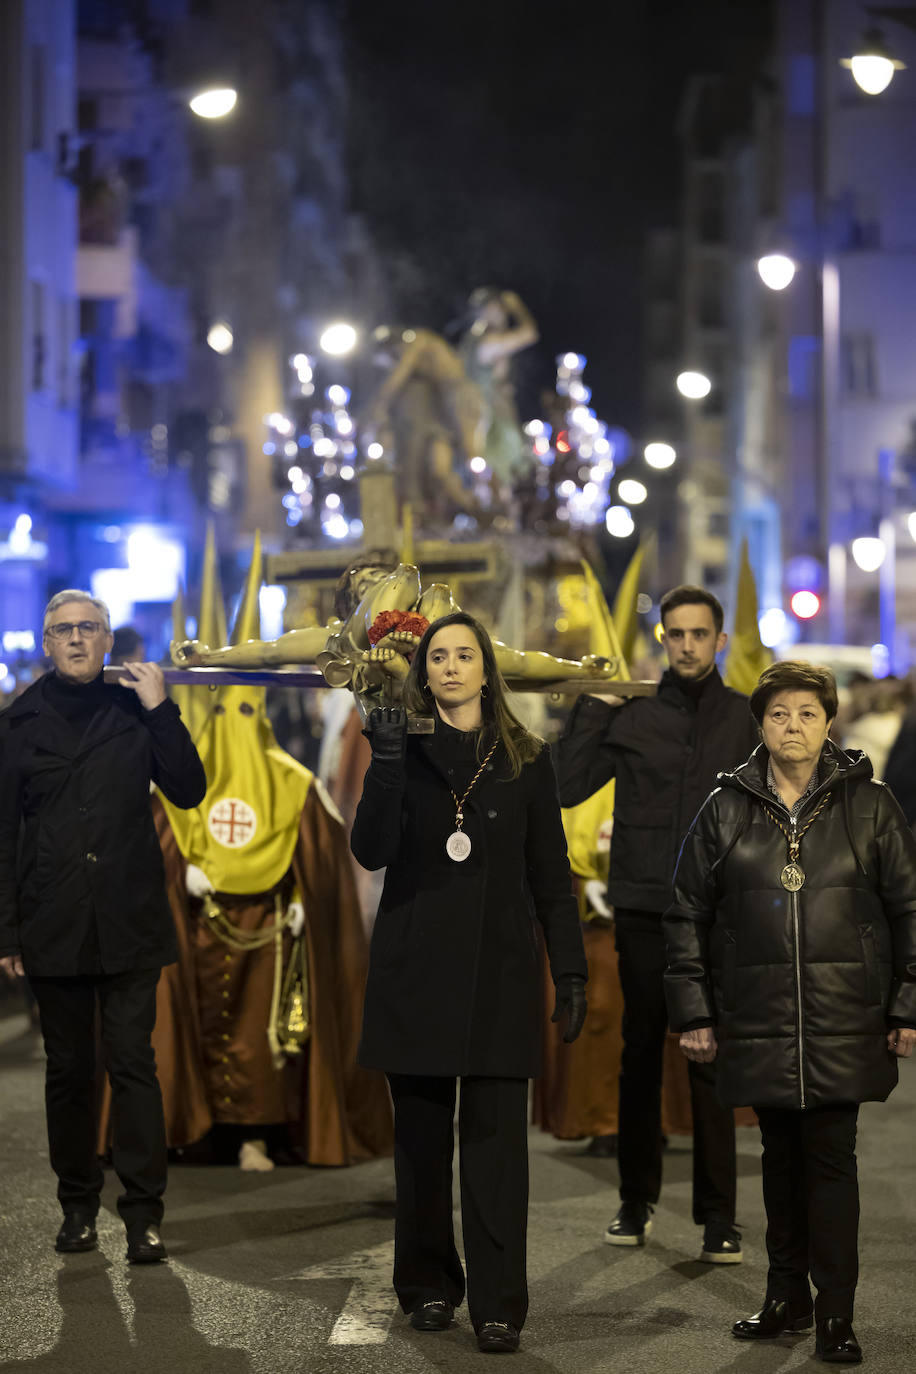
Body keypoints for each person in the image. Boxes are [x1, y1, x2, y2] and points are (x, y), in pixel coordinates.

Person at [664, 660, 916, 1364]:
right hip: (757, 1012)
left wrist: (907, 1003)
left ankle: (837, 1312)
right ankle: (786, 1296)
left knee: (832, 1160)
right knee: (778, 1158)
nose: (793, 726)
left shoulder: (872, 805)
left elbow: (910, 909)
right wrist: (694, 1012)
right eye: (779, 714)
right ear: (761, 725)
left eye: (807, 712)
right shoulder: (725, 806)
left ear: (829, 721)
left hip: (847, 1014)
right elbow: (685, 914)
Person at [351, 611, 587, 1355]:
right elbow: (370, 850)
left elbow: (552, 876)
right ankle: (426, 1286)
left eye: (463, 655)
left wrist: (570, 968)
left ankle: (497, 1305)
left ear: (488, 669)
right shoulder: (400, 748)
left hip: (500, 973)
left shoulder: (527, 758)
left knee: (496, 1154)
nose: (450, 667)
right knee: (421, 1148)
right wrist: (385, 761)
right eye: (437, 658)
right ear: (422, 673)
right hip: (414, 969)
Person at [0, 590, 206, 1263]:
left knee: (132, 1062)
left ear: (109, 638)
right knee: (69, 1070)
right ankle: (77, 1205)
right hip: (52, 919)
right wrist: (5, 934)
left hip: (128, 917)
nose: (78, 640)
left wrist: (162, 710)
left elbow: (188, 788)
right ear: (46, 642)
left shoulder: (136, 707)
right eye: (64, 631)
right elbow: (2, 836)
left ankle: (144, 1213)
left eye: (90, 628)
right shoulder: (18, 722)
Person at [554, 585, 758, 1259]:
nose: (688, 645)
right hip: (643, 908)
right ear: (662, 640)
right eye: (677, 634)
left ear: (720, 641)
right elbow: (563, 786)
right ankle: (634, 1202)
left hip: (719, 915)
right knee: (640, 1055)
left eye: (700, 634)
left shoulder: (745, 720)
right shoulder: (633, 715)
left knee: (711, 1063)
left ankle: (718, 1217)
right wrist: (594, 709)